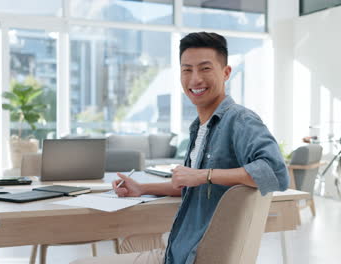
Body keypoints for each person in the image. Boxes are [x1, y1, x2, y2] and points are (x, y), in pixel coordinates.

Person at [112, 32, 289, 264]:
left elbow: (276, 174)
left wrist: (204, 175)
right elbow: (193, 184)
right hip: (179, 253)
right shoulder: (201, 127)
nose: (195, 79)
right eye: (187, 70)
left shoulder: (240, 120)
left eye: (205, 69)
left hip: (197, 255)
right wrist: (142, 188)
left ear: (226, 72)